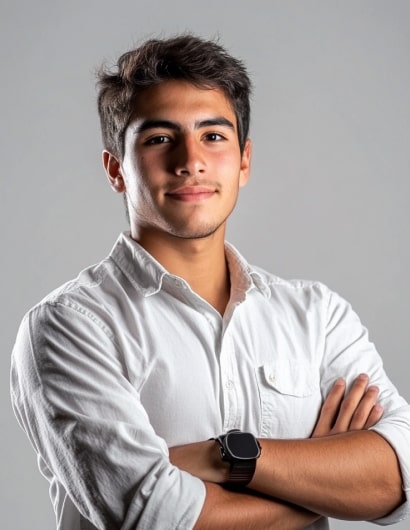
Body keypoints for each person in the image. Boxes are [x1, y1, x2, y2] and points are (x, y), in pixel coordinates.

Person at [10, 34, 410, 530]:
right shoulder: (68, 327)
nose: (190, 160)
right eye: (159, 139)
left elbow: (397, 477)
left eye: (214, 136)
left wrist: (222, 457)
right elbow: (154, 517)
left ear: (244, 161)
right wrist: (329, 485)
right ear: (116, 170)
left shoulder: (317, 317)